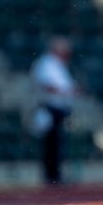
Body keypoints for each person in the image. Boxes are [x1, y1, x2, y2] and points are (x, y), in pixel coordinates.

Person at [29, 36, 77, 187]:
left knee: (56, 144)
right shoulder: (47, 63)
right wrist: (67, 91)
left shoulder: (57, 64)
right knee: (51, 144)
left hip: (59, 108)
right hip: (49, 107)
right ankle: (51, 177)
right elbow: (48, 85)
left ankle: (55, 175)